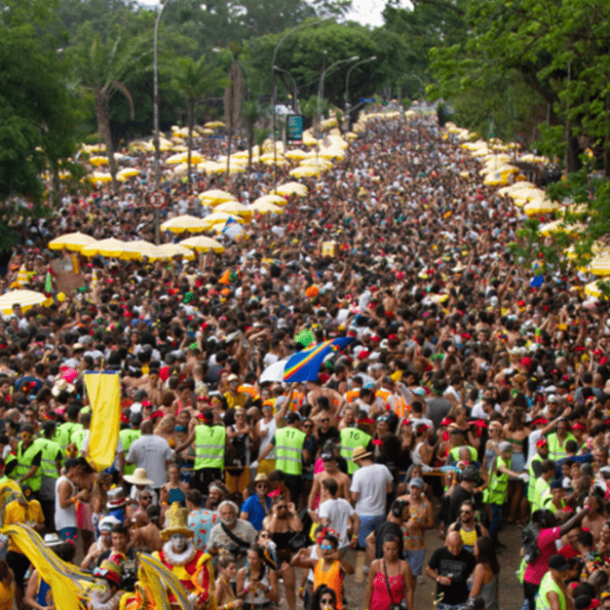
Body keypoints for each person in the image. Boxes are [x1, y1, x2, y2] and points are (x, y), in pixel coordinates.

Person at [523, 507, 590, 610]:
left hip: (532, 578)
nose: (555, 520)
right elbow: (569, 526)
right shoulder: (545, 535)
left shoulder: (537, 531)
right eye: (552, 519)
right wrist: (585, 511)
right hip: (535, 581)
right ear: (545, 522)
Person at [152, 502, 216, 608]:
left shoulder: (199, 558)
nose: (179, 540)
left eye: (182, 536)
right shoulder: (159, 558)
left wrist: (193, 598)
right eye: (175, 537)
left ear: (186, 537)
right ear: (170, 538)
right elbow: (151, 585)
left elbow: (206, 588)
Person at [257, 411, 309, 506]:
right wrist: (308, 464)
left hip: (279, 474)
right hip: (295, 473)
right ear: (296, 421)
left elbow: (267, 450)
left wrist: (257, 461)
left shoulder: (278, 433)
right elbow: (306, 456)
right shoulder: (301, 435)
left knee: (277, 499)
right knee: (292, 501)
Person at [291, 531, 355, 610]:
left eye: (328, 548)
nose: (325, 551)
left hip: (334, 606)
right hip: (318, 606)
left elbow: (351, 571)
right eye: (323, 547)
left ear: (335, 549)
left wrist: (340, 559)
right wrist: (298, 554)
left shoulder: (339, 564)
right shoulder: (315, 563)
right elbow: (293, 563)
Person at [262, 495, 303, 610]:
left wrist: (294, 512)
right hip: (270, 558)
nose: (283, 510)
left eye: (285, 507)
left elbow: (299, 528)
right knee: (271, 587)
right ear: (274, 507)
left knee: (290, 585)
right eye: (280, 507)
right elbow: (270, 531)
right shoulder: (268, 519)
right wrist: (275, 514)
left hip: (285, 556)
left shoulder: (288, 519)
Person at [350, 446, 393, 548]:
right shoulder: (383, 468)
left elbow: (354, 497)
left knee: (368, 545)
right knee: (379, 543)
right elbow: (390, 489)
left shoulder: (358, 474)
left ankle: (374, 564)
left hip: (363, 514)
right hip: (380, 513)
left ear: (359, 460)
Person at [425, 532, 476, 610]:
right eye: (452, 547)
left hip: (462, 601)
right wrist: (439, 578)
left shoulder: (469, 556)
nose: (455, 550)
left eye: (458, 546)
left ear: (462, 542)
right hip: (443, 600)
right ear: (447, 543)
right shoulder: (439, 553)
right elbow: (428, 570)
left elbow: (475, 574)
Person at [364, 533, 414, 610]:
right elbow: (369, 588)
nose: (390, 553)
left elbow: (409, 590)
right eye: (388, 549)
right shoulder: (375, 565)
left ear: (398, 548)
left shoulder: (405, 567)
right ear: (383, 548)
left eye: (394, 549)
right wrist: (366, 608)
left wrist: (410, 608)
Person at [125, 419, 174, 491]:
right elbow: (169, 463)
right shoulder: (163, 442)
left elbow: (128, 462)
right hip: (160, 482)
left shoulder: (136, 443)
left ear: (141, 430)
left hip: (142, 483)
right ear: (152, 429)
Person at [318, 478, 360, 552]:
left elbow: (325, 526)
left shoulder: (324, 506)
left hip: (330, 546)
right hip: (344, 544)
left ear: (327, 491)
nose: (320, 491)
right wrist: (354, 538)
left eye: (322, 489)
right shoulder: (345, 502)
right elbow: (357, 520)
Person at [236, 545, 280, 610]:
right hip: (247, 607)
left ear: (261, 559)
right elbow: (239, 596)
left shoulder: (269, 573)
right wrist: (247, 589)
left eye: (254, 559)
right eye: (249, 558)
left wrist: (264, 588)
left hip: (265, 607)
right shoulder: (242, 573)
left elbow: (276, 598)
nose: (250, 561)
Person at [469, 537, 499, 610]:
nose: (473, 548)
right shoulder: (492, 565)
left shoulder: (480, 568)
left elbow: (474, 594)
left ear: (480, 550)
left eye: (475, 546)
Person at [187, 488, 219, 553]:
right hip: (213, 556)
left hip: (197, 558)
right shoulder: (215, 515)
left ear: (190, 503)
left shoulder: (188, 518)